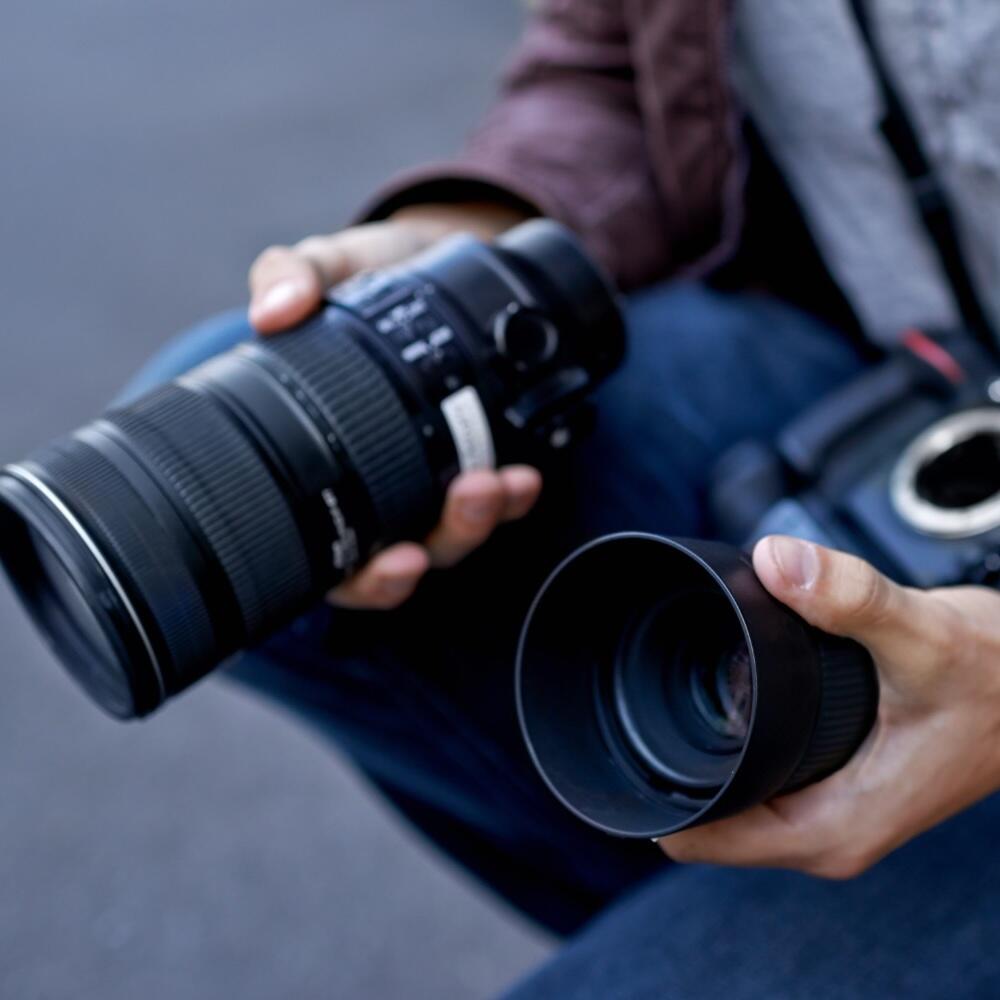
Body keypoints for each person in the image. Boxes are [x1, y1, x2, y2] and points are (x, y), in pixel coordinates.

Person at [122, 2, 1000, 996]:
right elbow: (610, 66)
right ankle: (767, 887)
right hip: (887, 373)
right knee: (244, 489)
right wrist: (463, 242)